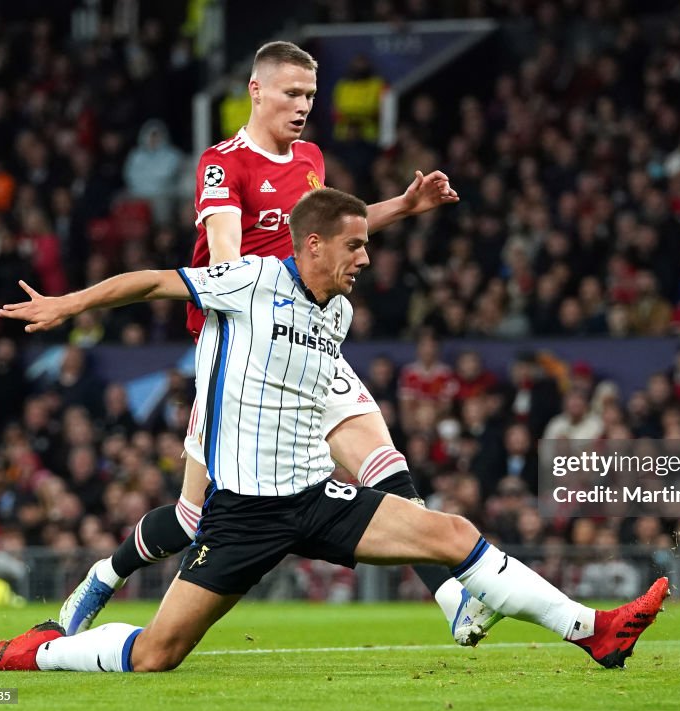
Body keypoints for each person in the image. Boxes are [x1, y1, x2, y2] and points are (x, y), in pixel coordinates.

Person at [0, 188, 669, 672]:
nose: (367, 258)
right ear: (312, 245)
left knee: (451, 532)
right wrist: (69, 304)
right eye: (356, 246)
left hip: (315, 495)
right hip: (244, 512)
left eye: (367, 245)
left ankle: (594, 630)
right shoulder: (248, 281)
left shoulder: (336, 312)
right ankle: (40, 649)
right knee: (158, 652)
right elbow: (154, 282)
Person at [57, 41, 495, 647]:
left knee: (382, 461)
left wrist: (405, 205)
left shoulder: (311, 159)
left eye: (311, 95)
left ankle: (453, 600)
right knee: (191, 518)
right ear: (256, 91)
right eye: (292, 93)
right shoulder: (222, 163)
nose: (303, 106)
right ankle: (103, 576)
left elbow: (332, 231)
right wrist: (268, 291)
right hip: (240, 350)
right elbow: (229, 259)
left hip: (307, 339)